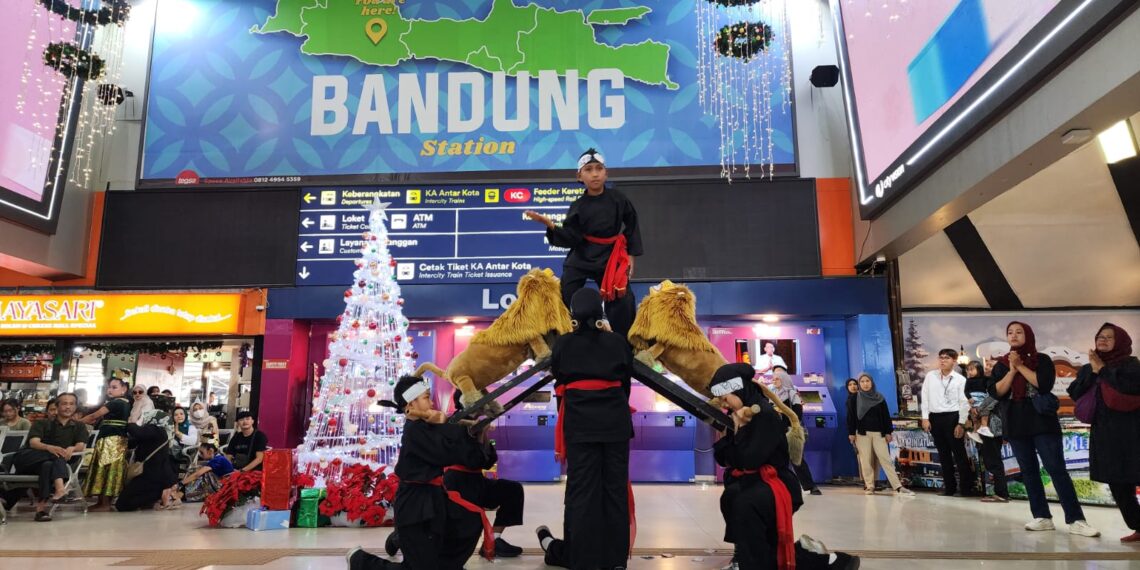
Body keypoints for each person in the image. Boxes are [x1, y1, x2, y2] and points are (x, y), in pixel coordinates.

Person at [711, 362, 860, 570]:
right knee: (737, 505)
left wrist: (740, 431)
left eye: (725, 397)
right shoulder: (737, 415)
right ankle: (830, 561)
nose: (724, 403)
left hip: (776, 485)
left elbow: (749, 459)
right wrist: (729, 436)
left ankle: (828, 561)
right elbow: (724, 458)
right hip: (756, 484)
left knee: (746, 507)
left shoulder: (764, 414)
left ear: (738, 389)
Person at [346, 375, 494, 570]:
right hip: (414, 503)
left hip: (434, 497)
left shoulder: (427, 425)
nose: (431, 403)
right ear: (411, 404)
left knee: (467, 523)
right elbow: (446, 452)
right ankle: (360, 560)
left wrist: (476, 433)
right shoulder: (414, 431)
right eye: (426, 398)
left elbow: (460, 448)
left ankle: (436, 560)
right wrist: (460, 430)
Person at [533, 288, 634, 570]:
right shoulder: (617, 342)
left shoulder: (564, 344)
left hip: (580, 425)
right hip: (615, 425)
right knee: (614, 490)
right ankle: (615, 561)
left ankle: (583, 559)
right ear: (600, 311)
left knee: (582, 492)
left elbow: (559, 378)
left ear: (573, 313)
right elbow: (626, 382)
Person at [385, 392, 527, 559]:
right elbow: (470, 459)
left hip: (476, 480)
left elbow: (488, 461)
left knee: (512, 490)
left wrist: (483, 435)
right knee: (462, 523)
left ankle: (494, 540)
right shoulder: (453, 424)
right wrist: (478, 436)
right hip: (456, 482)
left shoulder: (476, 423)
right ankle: (401, 537)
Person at [990, 321, 1099, 537]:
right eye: (1010, 332)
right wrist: (1011, 370)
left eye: (1019, 332)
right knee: (1028, 471)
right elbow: (997, 392)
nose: (1014, 335)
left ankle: (1076, 519)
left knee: (1056, 469)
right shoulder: (1001, 364)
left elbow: (1044, 384)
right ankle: (1042, 516)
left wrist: (1021, 366)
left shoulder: (1041, 360)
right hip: (1015, 422)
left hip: (1042, 422)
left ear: (1028, 335)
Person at [523, 148, 642, 338]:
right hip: (582, 255)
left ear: (606, 173)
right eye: (588, 170)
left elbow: (632, 225)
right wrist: (550, 225)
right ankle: (563, 339)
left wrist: (630, 256)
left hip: (610, 256)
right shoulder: (578, 206)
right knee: (565, 293)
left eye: (599, 169)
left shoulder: (618, 199)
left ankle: (624, 343)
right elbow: (571, 237)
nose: (595, 174)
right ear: (579, 176)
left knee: (623, 299)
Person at [1068, 323, 1140, 542]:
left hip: (1133, 431)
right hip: (1105, 433)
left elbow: (1132, 387)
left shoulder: (1132, 365)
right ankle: (1138, 526)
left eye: (1109, 337)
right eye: (1100, 336)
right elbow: (1075, 392)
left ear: (1120, 342)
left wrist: (1103, 370)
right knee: (1117, 481)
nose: (1103, 340)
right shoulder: (1089, 367)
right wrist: (1093, 371)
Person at [12, 393, 87, 522]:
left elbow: (81, 445)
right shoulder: (42, 423)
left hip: (53, 464)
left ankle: (40, 510)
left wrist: (73, 448)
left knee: (48, 465)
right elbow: (33, 443)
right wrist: (49, 447)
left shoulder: (79, 426)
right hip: (30, 460)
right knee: (56, 454)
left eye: (71, 404)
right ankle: (60, 490)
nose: (68, 407)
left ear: (75, 407)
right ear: (57, 406)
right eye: (64, 403)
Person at [920, 348, 976, 496]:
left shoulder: (960, 379)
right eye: (941, 357)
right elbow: (925, 397)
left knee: (959, 454)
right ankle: (949, 488)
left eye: (947, 358)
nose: (943, 360)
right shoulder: (930, 376)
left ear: (954, 361)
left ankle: (966, 488)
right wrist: (925, 418)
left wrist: (961, 423)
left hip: (953, 417)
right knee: (943, 454)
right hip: (935, 418)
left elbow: (964, 403)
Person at [849, 373, 914, 497]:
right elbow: (851, 417)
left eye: (867, 381)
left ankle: (898, 486)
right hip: (862, 434)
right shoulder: (855, 398)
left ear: (872, 382)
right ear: (859, 384)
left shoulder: (879, 397)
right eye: (862, 381)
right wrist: (851, 433)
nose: (865, 384)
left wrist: (888, 432)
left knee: (885, 459)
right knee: (865, 460)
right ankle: (870, 486)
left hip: (879, 433)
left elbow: (885, 416)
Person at [82, 378, 132, 511]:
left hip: (111, 441)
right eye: (109, 387)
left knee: (105, 468)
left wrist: (76, 422)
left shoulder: (116, 403)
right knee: (109, 469)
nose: (110, 390)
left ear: (124, 389)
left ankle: (104, 504)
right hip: (116, 440)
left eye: (114, 387)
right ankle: (103, 502)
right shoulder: (125, 403)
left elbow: (94, 416)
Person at [770, 367, 821, 495]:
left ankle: (811, 486)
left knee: (797, 459)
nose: (774, 381)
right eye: (773, 379)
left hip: (790, 431)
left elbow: (797, 414)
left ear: (784, 380)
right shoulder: (771, 394)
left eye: (777, 379)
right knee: (777, 459)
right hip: (775, 432)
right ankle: (779, 486)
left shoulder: (793, 394)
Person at [115, 409, 178, 511]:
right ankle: (155, 497)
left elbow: (137, 432)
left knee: (122, 504)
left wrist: (131, 422)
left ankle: (158, 495)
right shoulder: (154, 432)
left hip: (152, 475)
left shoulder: (157, 430)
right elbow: (132, 442)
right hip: (151, 474)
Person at [966, 361, 1009, 503]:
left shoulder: (998, 388)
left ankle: (1001, 493)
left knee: (993, 460)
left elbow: (991, 401)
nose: (987, 367)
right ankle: (999, 492)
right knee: (990, 460)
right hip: (986, 428)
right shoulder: (988, 385)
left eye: (991, 366)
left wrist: (977, 409)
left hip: (992, 428)